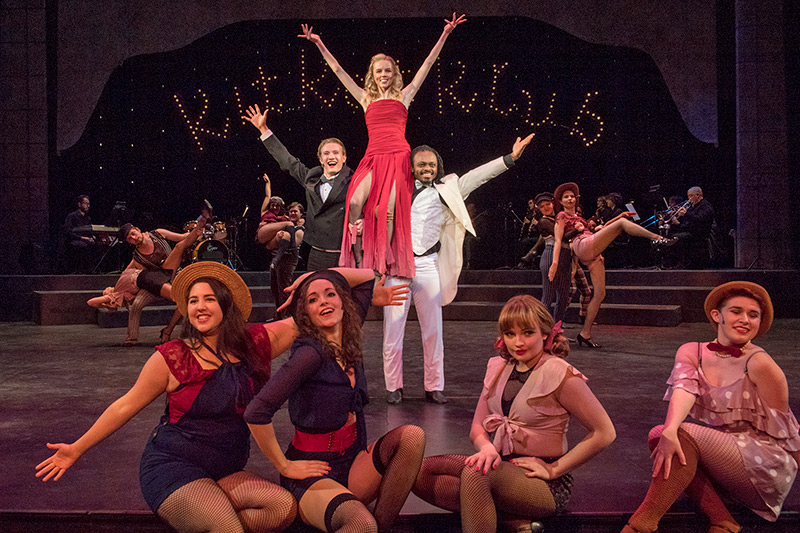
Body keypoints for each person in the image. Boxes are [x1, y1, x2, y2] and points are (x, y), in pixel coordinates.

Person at [36, 261, 302, 532]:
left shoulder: (252, 344)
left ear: (225, 304)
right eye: (193, 301)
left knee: (283, 508)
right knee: (228, 529)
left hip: (225, 471)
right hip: (173, 467)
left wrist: (316, 275)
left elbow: (308, 315)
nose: (200, 307)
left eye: (209, 299)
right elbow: (124, 406)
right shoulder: (173, 356)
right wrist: (76, 448)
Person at [412, 295, 616, 532]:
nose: (518, 342)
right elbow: (478, 427)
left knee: (477, 474)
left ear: (545, 334)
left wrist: (555, 469)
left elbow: (605, 432)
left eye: (527, 333)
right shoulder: (498, 368)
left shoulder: (560, 373)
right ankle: (514, 523)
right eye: (510, 334)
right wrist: (487, 448)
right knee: (419, 471)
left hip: (543, 481)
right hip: (503, 467)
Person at [244, 270, 422, 532]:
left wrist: (312, 276)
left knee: (412, 437)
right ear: (305, 314)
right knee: (360, 524)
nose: (324, 302)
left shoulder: (347, 334)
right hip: (314, 472)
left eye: (330, 294)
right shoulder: (309, 355)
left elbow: (365, 279)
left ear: (343, 301)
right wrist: (284, 465)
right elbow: (256, 411)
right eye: (313, 300)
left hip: (351, 461)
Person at [623, 281, 799, 533]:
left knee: (680, 435)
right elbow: (684, 389)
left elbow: (788, 431)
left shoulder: (761, 364)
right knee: (661, 435)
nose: (745, 320)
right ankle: (723, 521)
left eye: (753, 315)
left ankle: (641, 525)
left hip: (766, 466)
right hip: (731, 455)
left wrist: (675, 431)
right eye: (736, 311)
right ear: (718, 316)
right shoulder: (692, 351)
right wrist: (670, 429)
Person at [298, 13, 466, 277]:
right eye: (379, 71)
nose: (383, 75)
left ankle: (384, 265)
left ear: (394, 73)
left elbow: (428, 63)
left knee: (385, 211)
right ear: (372, 75)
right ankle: (357, 257)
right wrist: (319, 44)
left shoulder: (405, 95)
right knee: (354, 202)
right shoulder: (365, 98)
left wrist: (445, 33)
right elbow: (339, 71)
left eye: (388, 70)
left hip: (398, 156)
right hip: (374, 157)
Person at [382, 135, 534, 405]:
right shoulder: (397, 188)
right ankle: (394, 387)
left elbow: (477, 176)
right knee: (393, 330)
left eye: (431, 165)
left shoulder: (448, 188)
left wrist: (509, 159)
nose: (427, 169)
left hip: (428, 264)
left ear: (437, 166)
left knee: (433, 331)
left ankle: (434, 386)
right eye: (421, 165)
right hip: (397, 266)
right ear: (412, 167)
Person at [549, 182, 674, 348]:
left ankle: (585, 333)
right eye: (566, 197)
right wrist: (554, 263)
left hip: (592, 250)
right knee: (621, 225)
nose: (570, 199)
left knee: (600, 293)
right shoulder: (562, 217)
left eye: (572, 196)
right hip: (582, 244)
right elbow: (558, 240)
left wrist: (619, 216)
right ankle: (658, 239)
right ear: (561, 201)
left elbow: (605, 229)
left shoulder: (581, 219)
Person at [243, 108, 353, 270]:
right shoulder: (311, 178)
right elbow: (287, 160)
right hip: (317, 254)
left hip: (345, 254)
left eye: (336, 153)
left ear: (344, 158)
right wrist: (263, 130)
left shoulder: (355, 181)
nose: (331, 157)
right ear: (321, 159)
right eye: (327, 153)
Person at [118, 220, 205, 346]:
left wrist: (196, 233)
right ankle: (131, 338)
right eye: (129, 239)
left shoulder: (158, 234)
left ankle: (168, 330)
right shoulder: (137, 257)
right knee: (137, 304)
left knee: (185, 297)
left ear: (137, 229)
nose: (133, 238)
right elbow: (133, 275)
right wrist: (120, 292)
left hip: (174, 275)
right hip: (157, 284)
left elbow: (181, 238)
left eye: (132, 233)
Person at [270, 202, 305, 318]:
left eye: (295, 211)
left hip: (288, 259)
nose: (293, 213)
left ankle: (288, 317)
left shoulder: (300, 229)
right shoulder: (284, 225)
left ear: (301, 214)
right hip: (278, 258)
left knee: (284, 290)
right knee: (275, 290)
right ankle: (279, 316)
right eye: (291, 211)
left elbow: (294, 243)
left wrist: (283, 236)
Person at [671, 186, 715, 269]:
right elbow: (689, 222)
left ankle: (683, 264)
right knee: (672, 235)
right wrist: (678, 222)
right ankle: (677, 263)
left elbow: (699, 219)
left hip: (700, 234)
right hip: (691, 231)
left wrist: (686, 214)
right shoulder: (692, 207)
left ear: (698, 195)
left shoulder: (706, 206)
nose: (689, 199)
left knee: (677, 238)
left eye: (691, 196)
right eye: (688, 196)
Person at [63, 194, 97, 273]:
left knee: (98, 244)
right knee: (83, 246)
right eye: (85, 203)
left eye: (88, 204)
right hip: (74, 240)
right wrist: (81, 238)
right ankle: (82, 270)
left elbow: (90, 231)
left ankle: (93, 270)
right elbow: (68, 232)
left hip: (85, 240)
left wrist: (93, 237)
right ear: (79, 204)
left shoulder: (88, 218)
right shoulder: (72, 216)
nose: (88, 206)